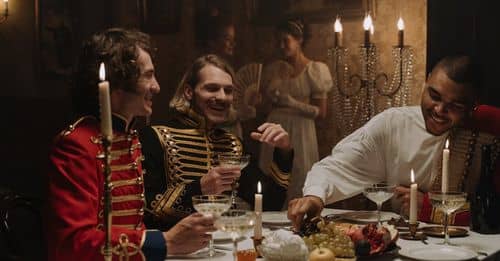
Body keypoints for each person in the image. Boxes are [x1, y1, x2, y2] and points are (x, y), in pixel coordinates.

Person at [46, 28, 214, 260]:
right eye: (148, 75)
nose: (156, 87)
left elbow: (131, 224)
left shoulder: (129, 135)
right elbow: (72, 242)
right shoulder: (77, 145)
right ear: (118, 83)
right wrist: (163, 242)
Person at [287, 55, 481, 230]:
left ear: (473, 105)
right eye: (434, 96)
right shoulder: (393, 125)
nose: (439, 110)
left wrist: (430, 209)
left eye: (455, 105)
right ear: (426, 81)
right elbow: (335, 167)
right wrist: (315, 196)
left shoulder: (485, 137)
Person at [140, 54, 293, 230]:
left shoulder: (233, 144)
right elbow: (148, 208)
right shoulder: (153, 136)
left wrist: (284, 151)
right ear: (189, 92)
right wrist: (200, 188)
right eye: (212, 88)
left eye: (228, 91)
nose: (222, 97)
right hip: (175, 248)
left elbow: (269, 204)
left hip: (224, 244)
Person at [259, 19, 333, 207]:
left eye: (286, 40)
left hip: (301, 131)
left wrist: (291, 102)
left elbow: (321, 112)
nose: (281, 46)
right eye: (278, 41)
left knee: (299, 176)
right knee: (272, 176)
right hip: (274, 127)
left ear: (299, 40)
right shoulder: (273, 70)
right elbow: (264, 107)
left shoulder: (315, 70)